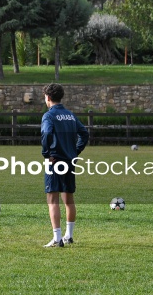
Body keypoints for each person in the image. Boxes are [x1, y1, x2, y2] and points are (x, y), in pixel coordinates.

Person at [41, 83, 89, 247]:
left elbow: (47, 133)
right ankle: (69, 236)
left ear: (47, 97)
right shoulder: (70, 115)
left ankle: (57, 238)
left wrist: (46, 154)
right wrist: (76, 151)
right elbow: (84, 133)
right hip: (69, 160)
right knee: (68, 198)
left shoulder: (49, 116)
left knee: (52, 198)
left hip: (55, 161)